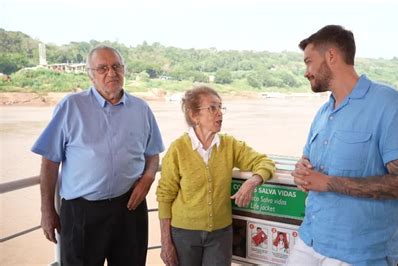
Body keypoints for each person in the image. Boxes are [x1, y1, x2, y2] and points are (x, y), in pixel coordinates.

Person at [286, 25, 398, 266]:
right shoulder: (323, 112)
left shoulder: (391, 105)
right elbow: (309, 163)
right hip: (310, 239)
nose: (306, 71)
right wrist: (302, 172)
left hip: (359, 253)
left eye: (309, 61)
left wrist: (328, 183)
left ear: (331, 56)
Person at [31, 45, 165, 265]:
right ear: (91, 74)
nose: (111, 73)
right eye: (102, 68)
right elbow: (49, 163)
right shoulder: (71, 106)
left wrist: (147, 179)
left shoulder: (141, 109)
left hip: (130, 207)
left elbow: (152, 155)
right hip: (83, 211)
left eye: (116, 66)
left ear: (124, 70)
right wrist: (47, 211)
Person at [156, 85, 275, 266]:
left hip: (220, 234)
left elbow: (265, 162)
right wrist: (166, 242)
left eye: (220, 107)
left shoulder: (230, 145)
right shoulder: (178, 149)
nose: (220, 113)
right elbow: (165, 196)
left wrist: (252, 182)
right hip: (184, 234)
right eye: (212, 108)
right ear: (194, 115)